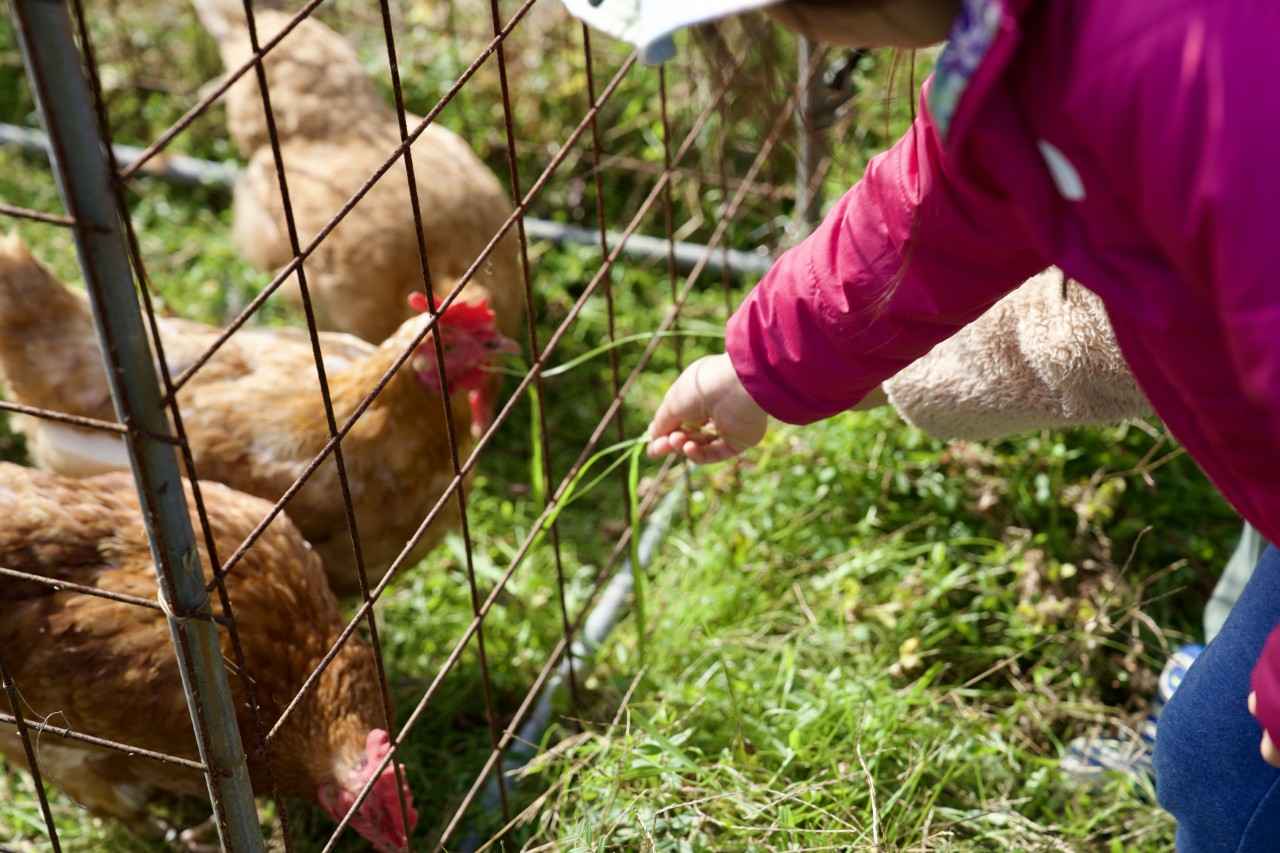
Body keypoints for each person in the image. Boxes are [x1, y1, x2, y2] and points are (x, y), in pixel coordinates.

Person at [559, 0, 1280, 849]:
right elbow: (941, 198)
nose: (797, 33)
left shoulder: (1203, 74)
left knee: (1226, 776)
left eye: (785, 11)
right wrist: (758, 368)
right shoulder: (1040, 36)